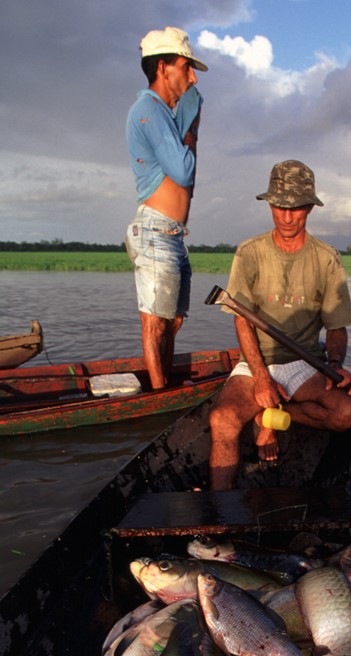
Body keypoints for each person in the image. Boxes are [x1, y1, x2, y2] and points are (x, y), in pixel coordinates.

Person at [209, 159, 351, 491]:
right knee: (222, 420)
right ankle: (218, 511)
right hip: (255, 361)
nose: (287, 217)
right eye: (279, 207)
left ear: (310, 207)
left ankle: (271, 416)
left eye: (296, 208)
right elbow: (242, 321)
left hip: (303, 362)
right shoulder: (249, 252)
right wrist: (261, 377)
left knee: (348, 413)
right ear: (270, 205)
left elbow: (336, 327)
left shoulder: (327, 258)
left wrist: (335, 365)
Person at [125, 27, 207, 390]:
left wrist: (191, 116)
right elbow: (184, 171)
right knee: (155, 322)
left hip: (173, 235)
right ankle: (159, 397)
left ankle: (164, 386)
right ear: (163, 67)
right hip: (154, 230)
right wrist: (192, 130)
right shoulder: (148, 109)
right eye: (186, 67)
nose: (192, 77)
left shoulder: (165, 115)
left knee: (173, 320)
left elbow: (188, 180)